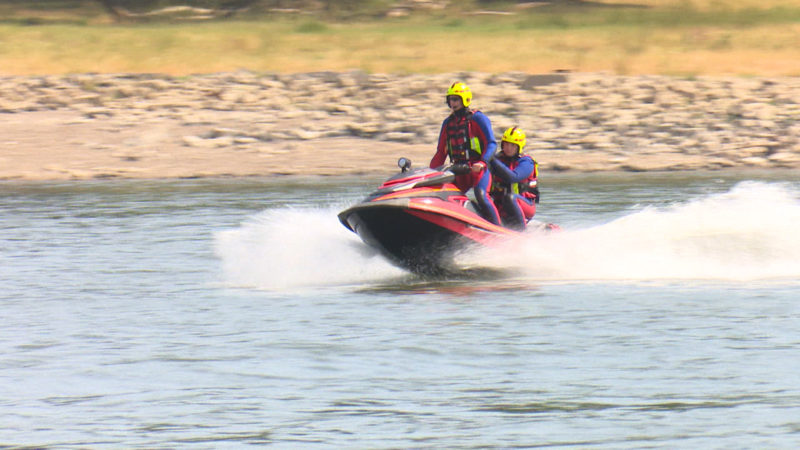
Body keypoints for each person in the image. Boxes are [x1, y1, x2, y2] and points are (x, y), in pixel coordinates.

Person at [430, 82, 500, 225]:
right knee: (441, 196)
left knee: (481, 196)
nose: (452, 103)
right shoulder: (448, 123)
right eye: (450, 99)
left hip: (478, 170)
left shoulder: (478, 119)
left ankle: (499, 230)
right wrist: (430, 173)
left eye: (456, 99)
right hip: (459, 170)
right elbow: (440, 153)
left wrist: (482, 162)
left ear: (464, 100)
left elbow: (492, 144)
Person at [489, 126, 539, 230]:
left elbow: (513, 177)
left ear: (519, 147)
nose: (508, 148)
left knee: (510, 198)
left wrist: (492, 160)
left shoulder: (526, 162)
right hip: (500, 205)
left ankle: (521, 232)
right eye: (506, 144)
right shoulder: (498, 159)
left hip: (524, 204)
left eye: (512, 145)